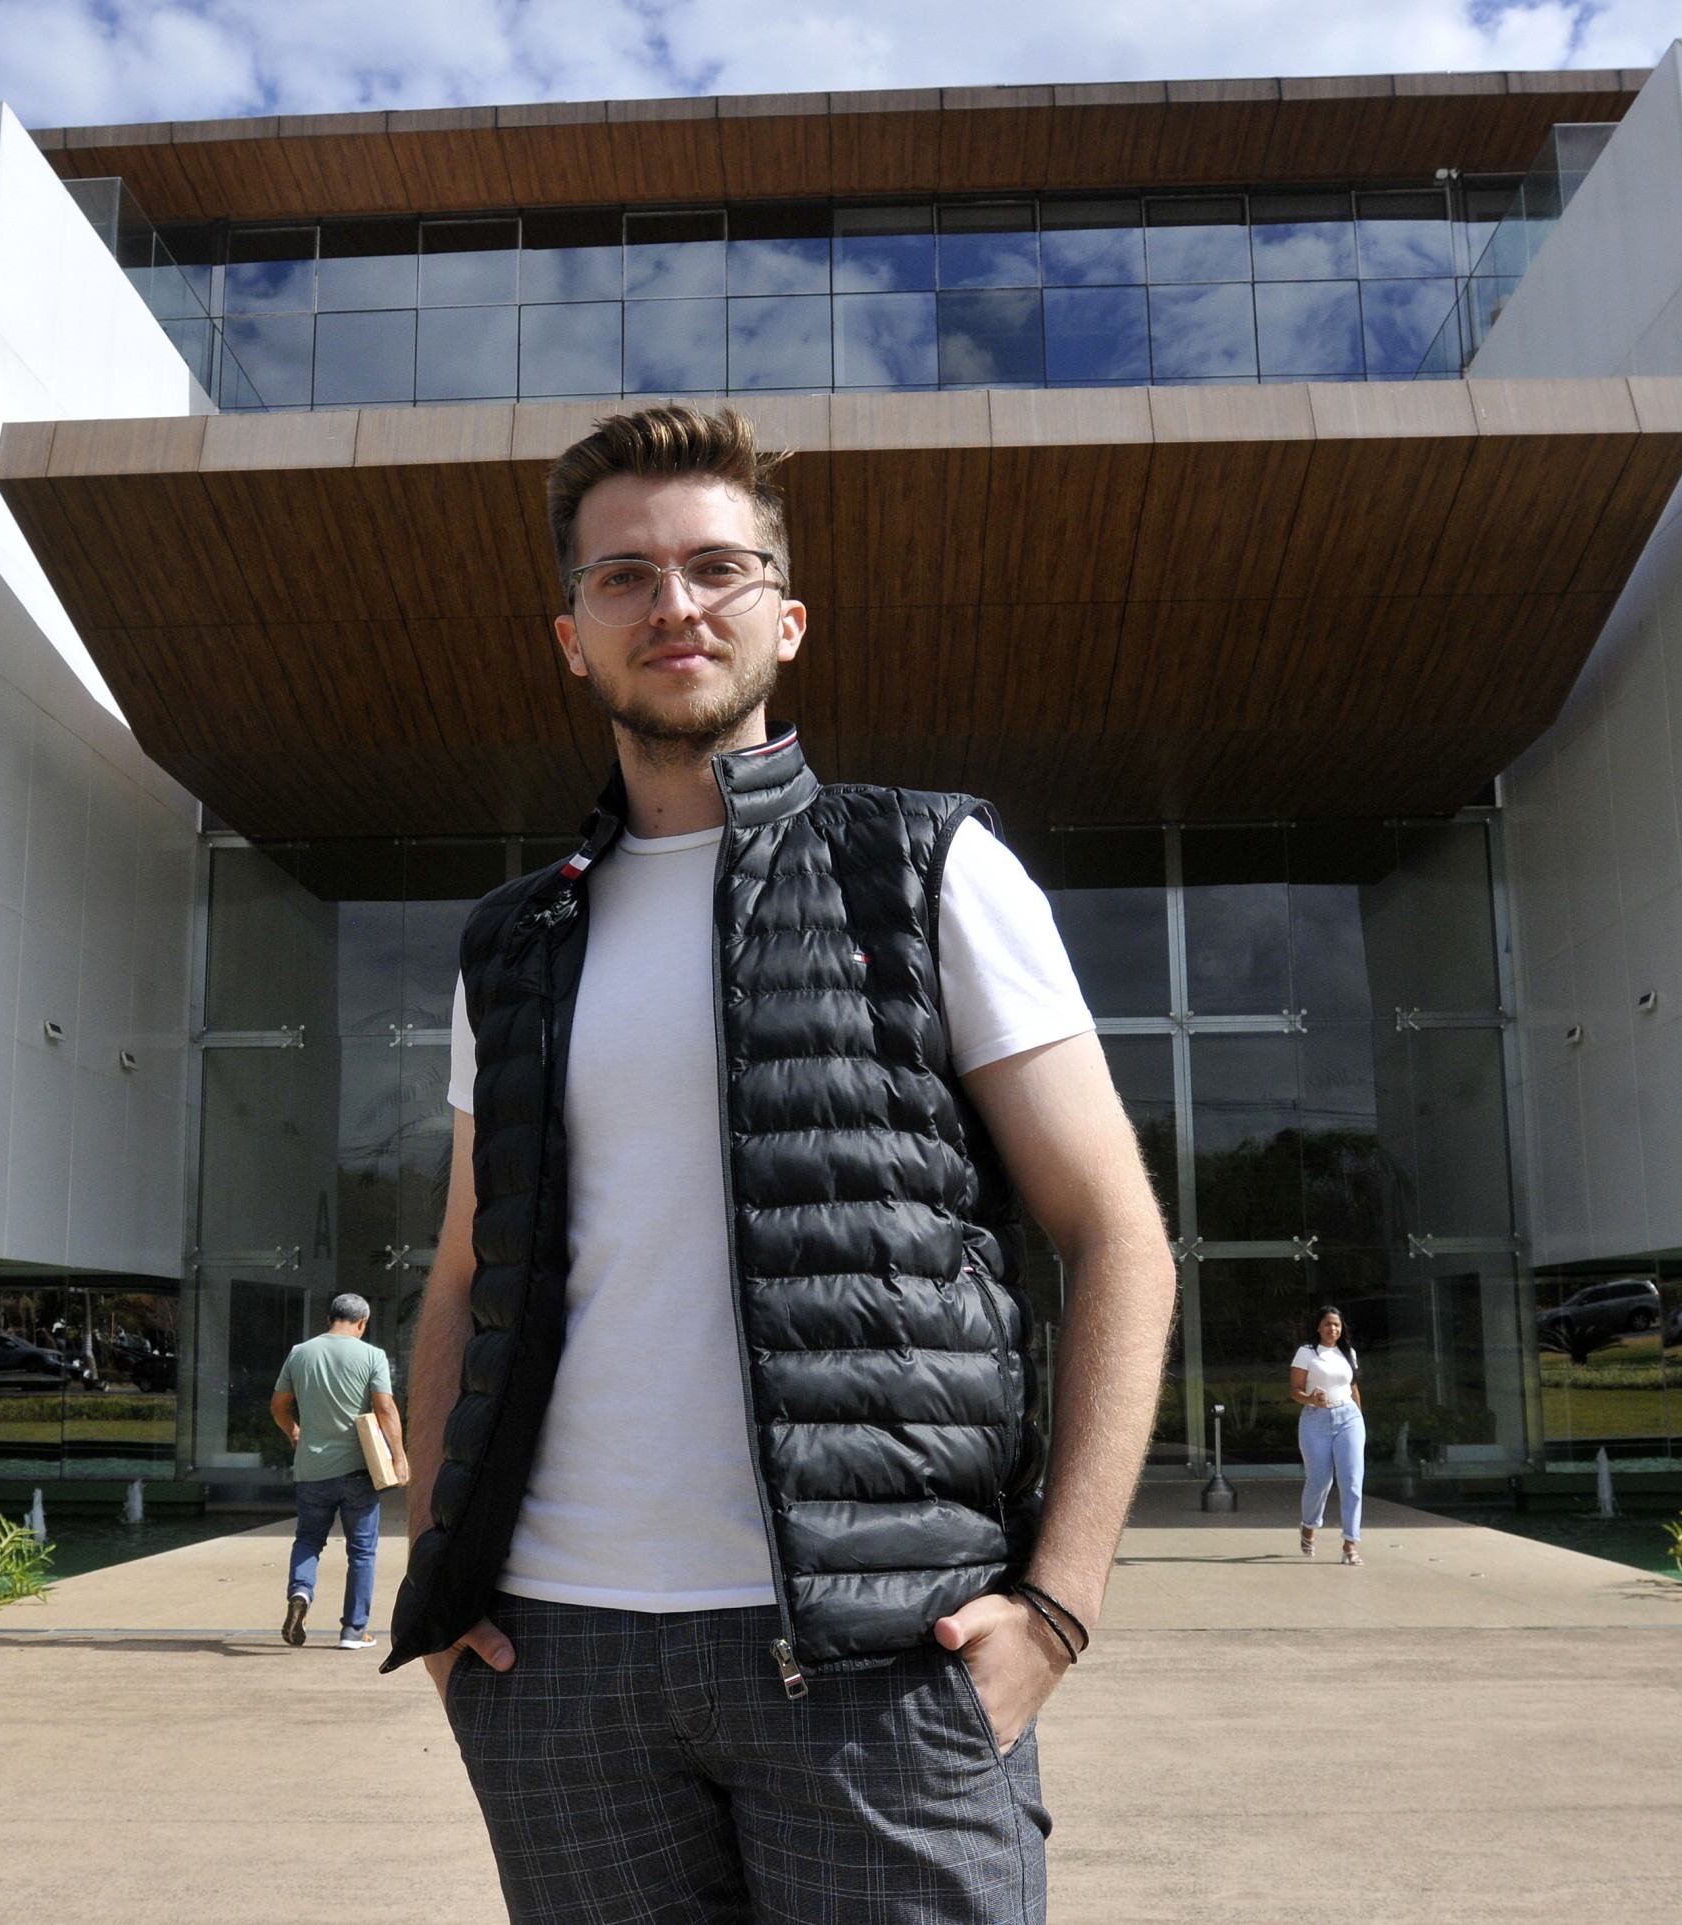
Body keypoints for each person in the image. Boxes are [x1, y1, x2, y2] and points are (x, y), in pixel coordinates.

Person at [384, 402, 1179, 1922]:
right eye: (622, 577)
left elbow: (1115, 1234)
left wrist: (1057, 1606)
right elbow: (468, 1272)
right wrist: (438, 1578)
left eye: (713, 568)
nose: (671, 604)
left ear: (785, 616)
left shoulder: (928, 865)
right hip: (558, 1663)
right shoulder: (513, 942)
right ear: (569, 635)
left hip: (879, 1665)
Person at [272, 1293, 406, 1651]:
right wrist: (399, 1457)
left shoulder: (300, 1353)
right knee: (361, 1551)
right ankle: (352, 1631)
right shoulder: (372, 1355)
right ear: (362, 1323)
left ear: (330, 1318)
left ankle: (301, 1591)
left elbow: (278, 1406)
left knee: (308, 1540)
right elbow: (386, 1409)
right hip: (358, 1469)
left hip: (311, 1469)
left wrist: (294, 1431)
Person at [1291, 1306, 1366, 1566]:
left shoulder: (1348, 1353)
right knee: (1320, 1480)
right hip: (1316, 1421)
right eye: (1327, 1324)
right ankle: (1309, 1526)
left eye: (1336, 1324)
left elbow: (1353, 1388)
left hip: (1349, 1419)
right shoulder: (1307, 1353)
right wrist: (1310, 1399)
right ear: (1318, 1327)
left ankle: (1350, 1544)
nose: (1332, 1329)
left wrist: (1359, 1418)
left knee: (1352, 1481)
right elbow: (1295, 1390)